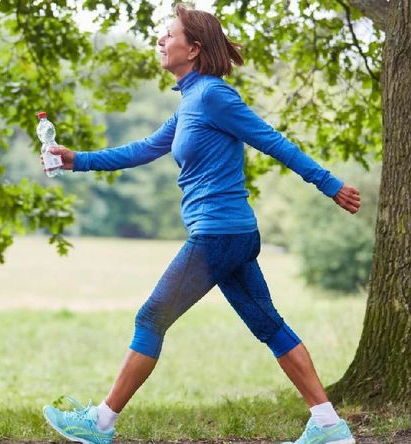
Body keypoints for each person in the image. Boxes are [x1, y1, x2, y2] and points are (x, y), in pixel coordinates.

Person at [40, 4, 362, 444]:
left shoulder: (214, 96)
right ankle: (329, 427)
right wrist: (77, 160)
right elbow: (144, 149)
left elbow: (272, 141)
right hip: (230, 235)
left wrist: (329, 184)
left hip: (218, 233)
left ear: (193, 49)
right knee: (269, 326)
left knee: (151, 317)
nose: (160, 40)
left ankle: (100, 424)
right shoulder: (191, 102)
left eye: (169, 34)